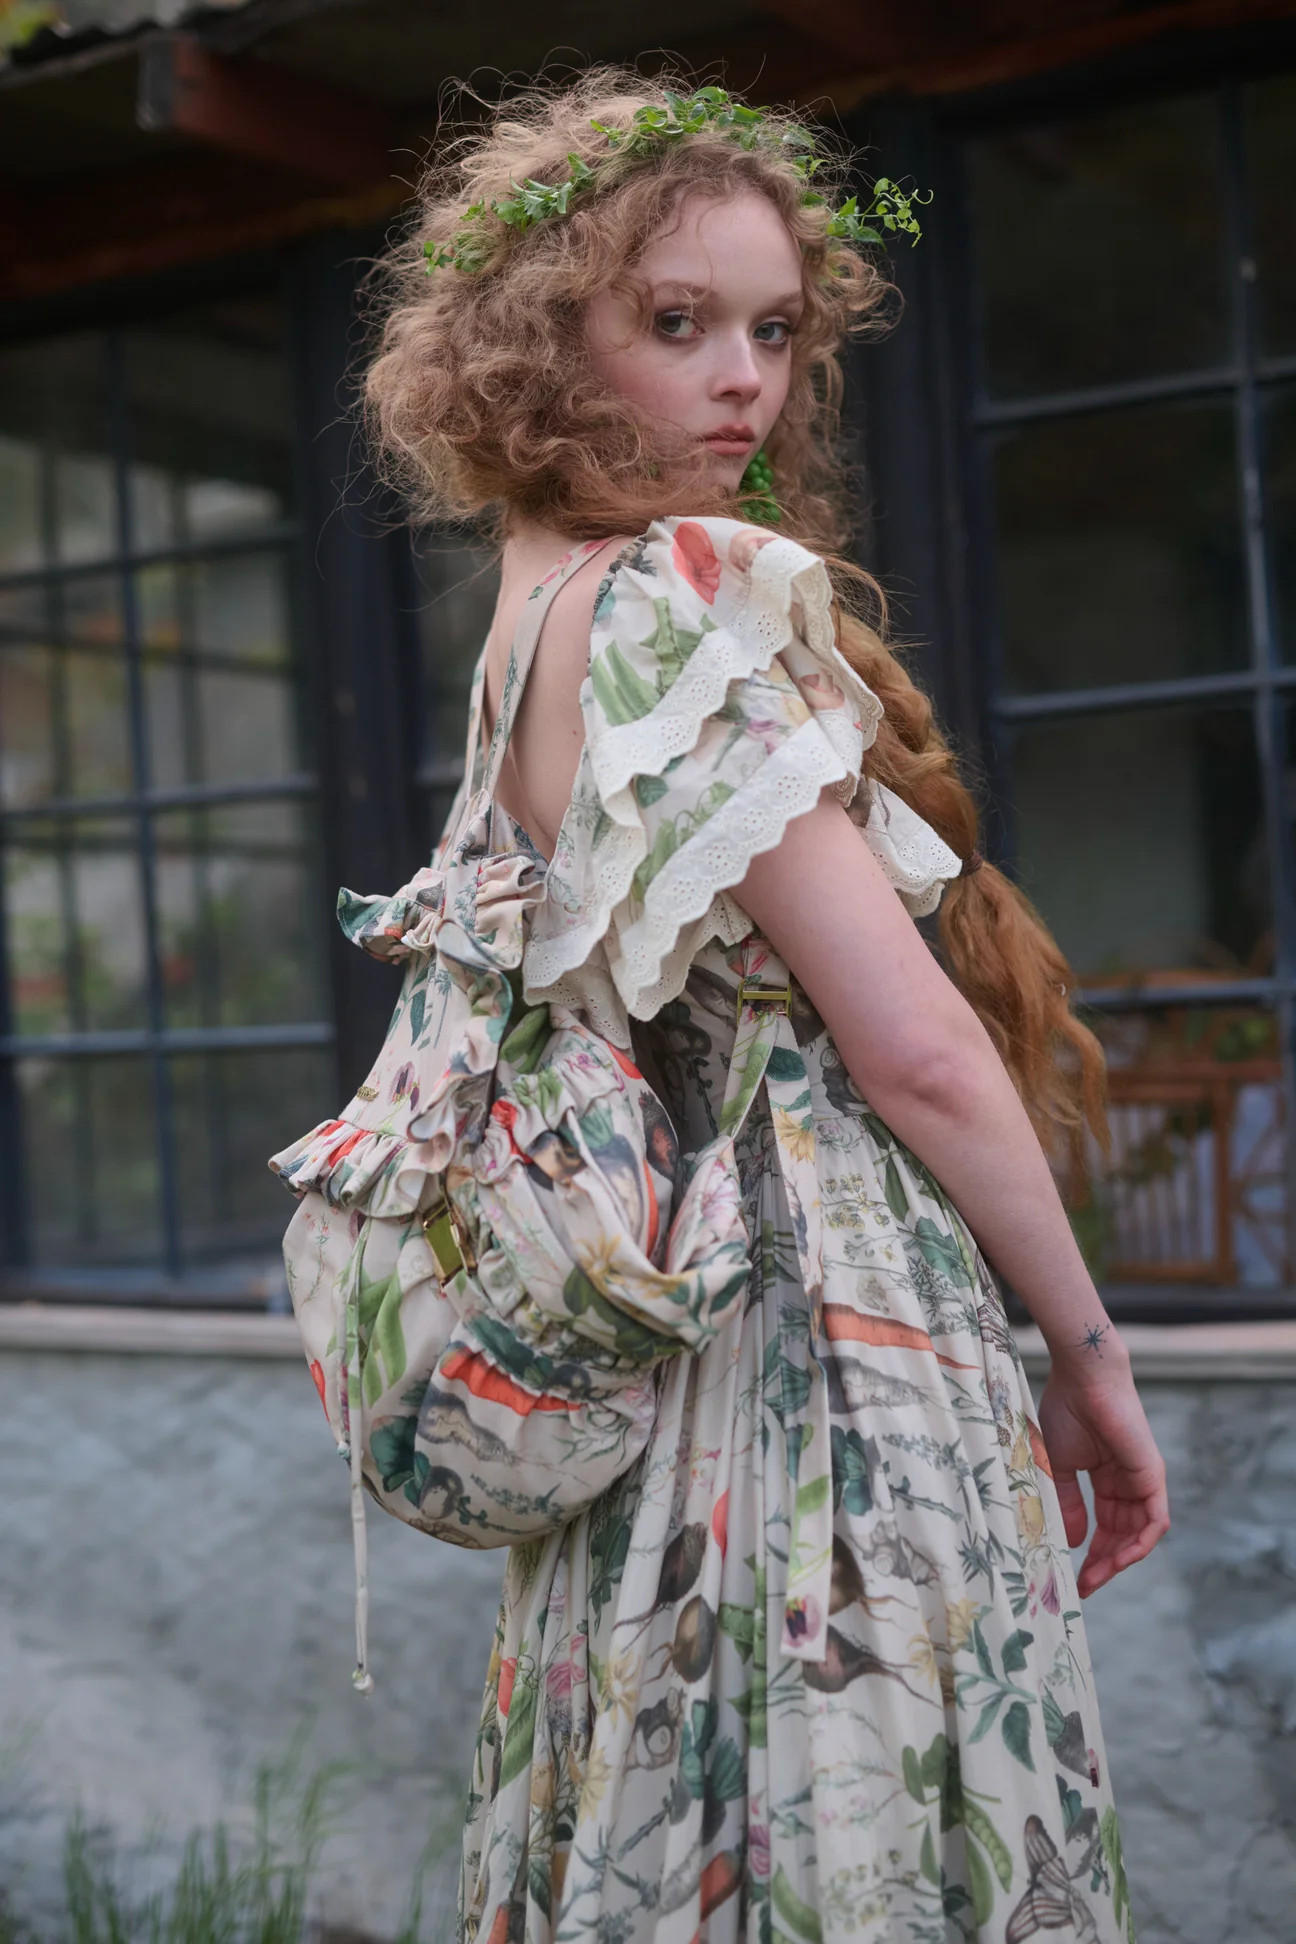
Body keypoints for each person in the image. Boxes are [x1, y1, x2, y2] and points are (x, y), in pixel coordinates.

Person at [363, 69, 1169, 1944]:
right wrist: (1093, 1358)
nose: (744, 379)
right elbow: (915, 1049)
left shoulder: (529, 617)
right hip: (823, 1337)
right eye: (676, 323)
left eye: (776, 330)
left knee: (702, 1801)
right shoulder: (675, 597)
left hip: (673, 1351)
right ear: (539, 340)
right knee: (863, 1813)